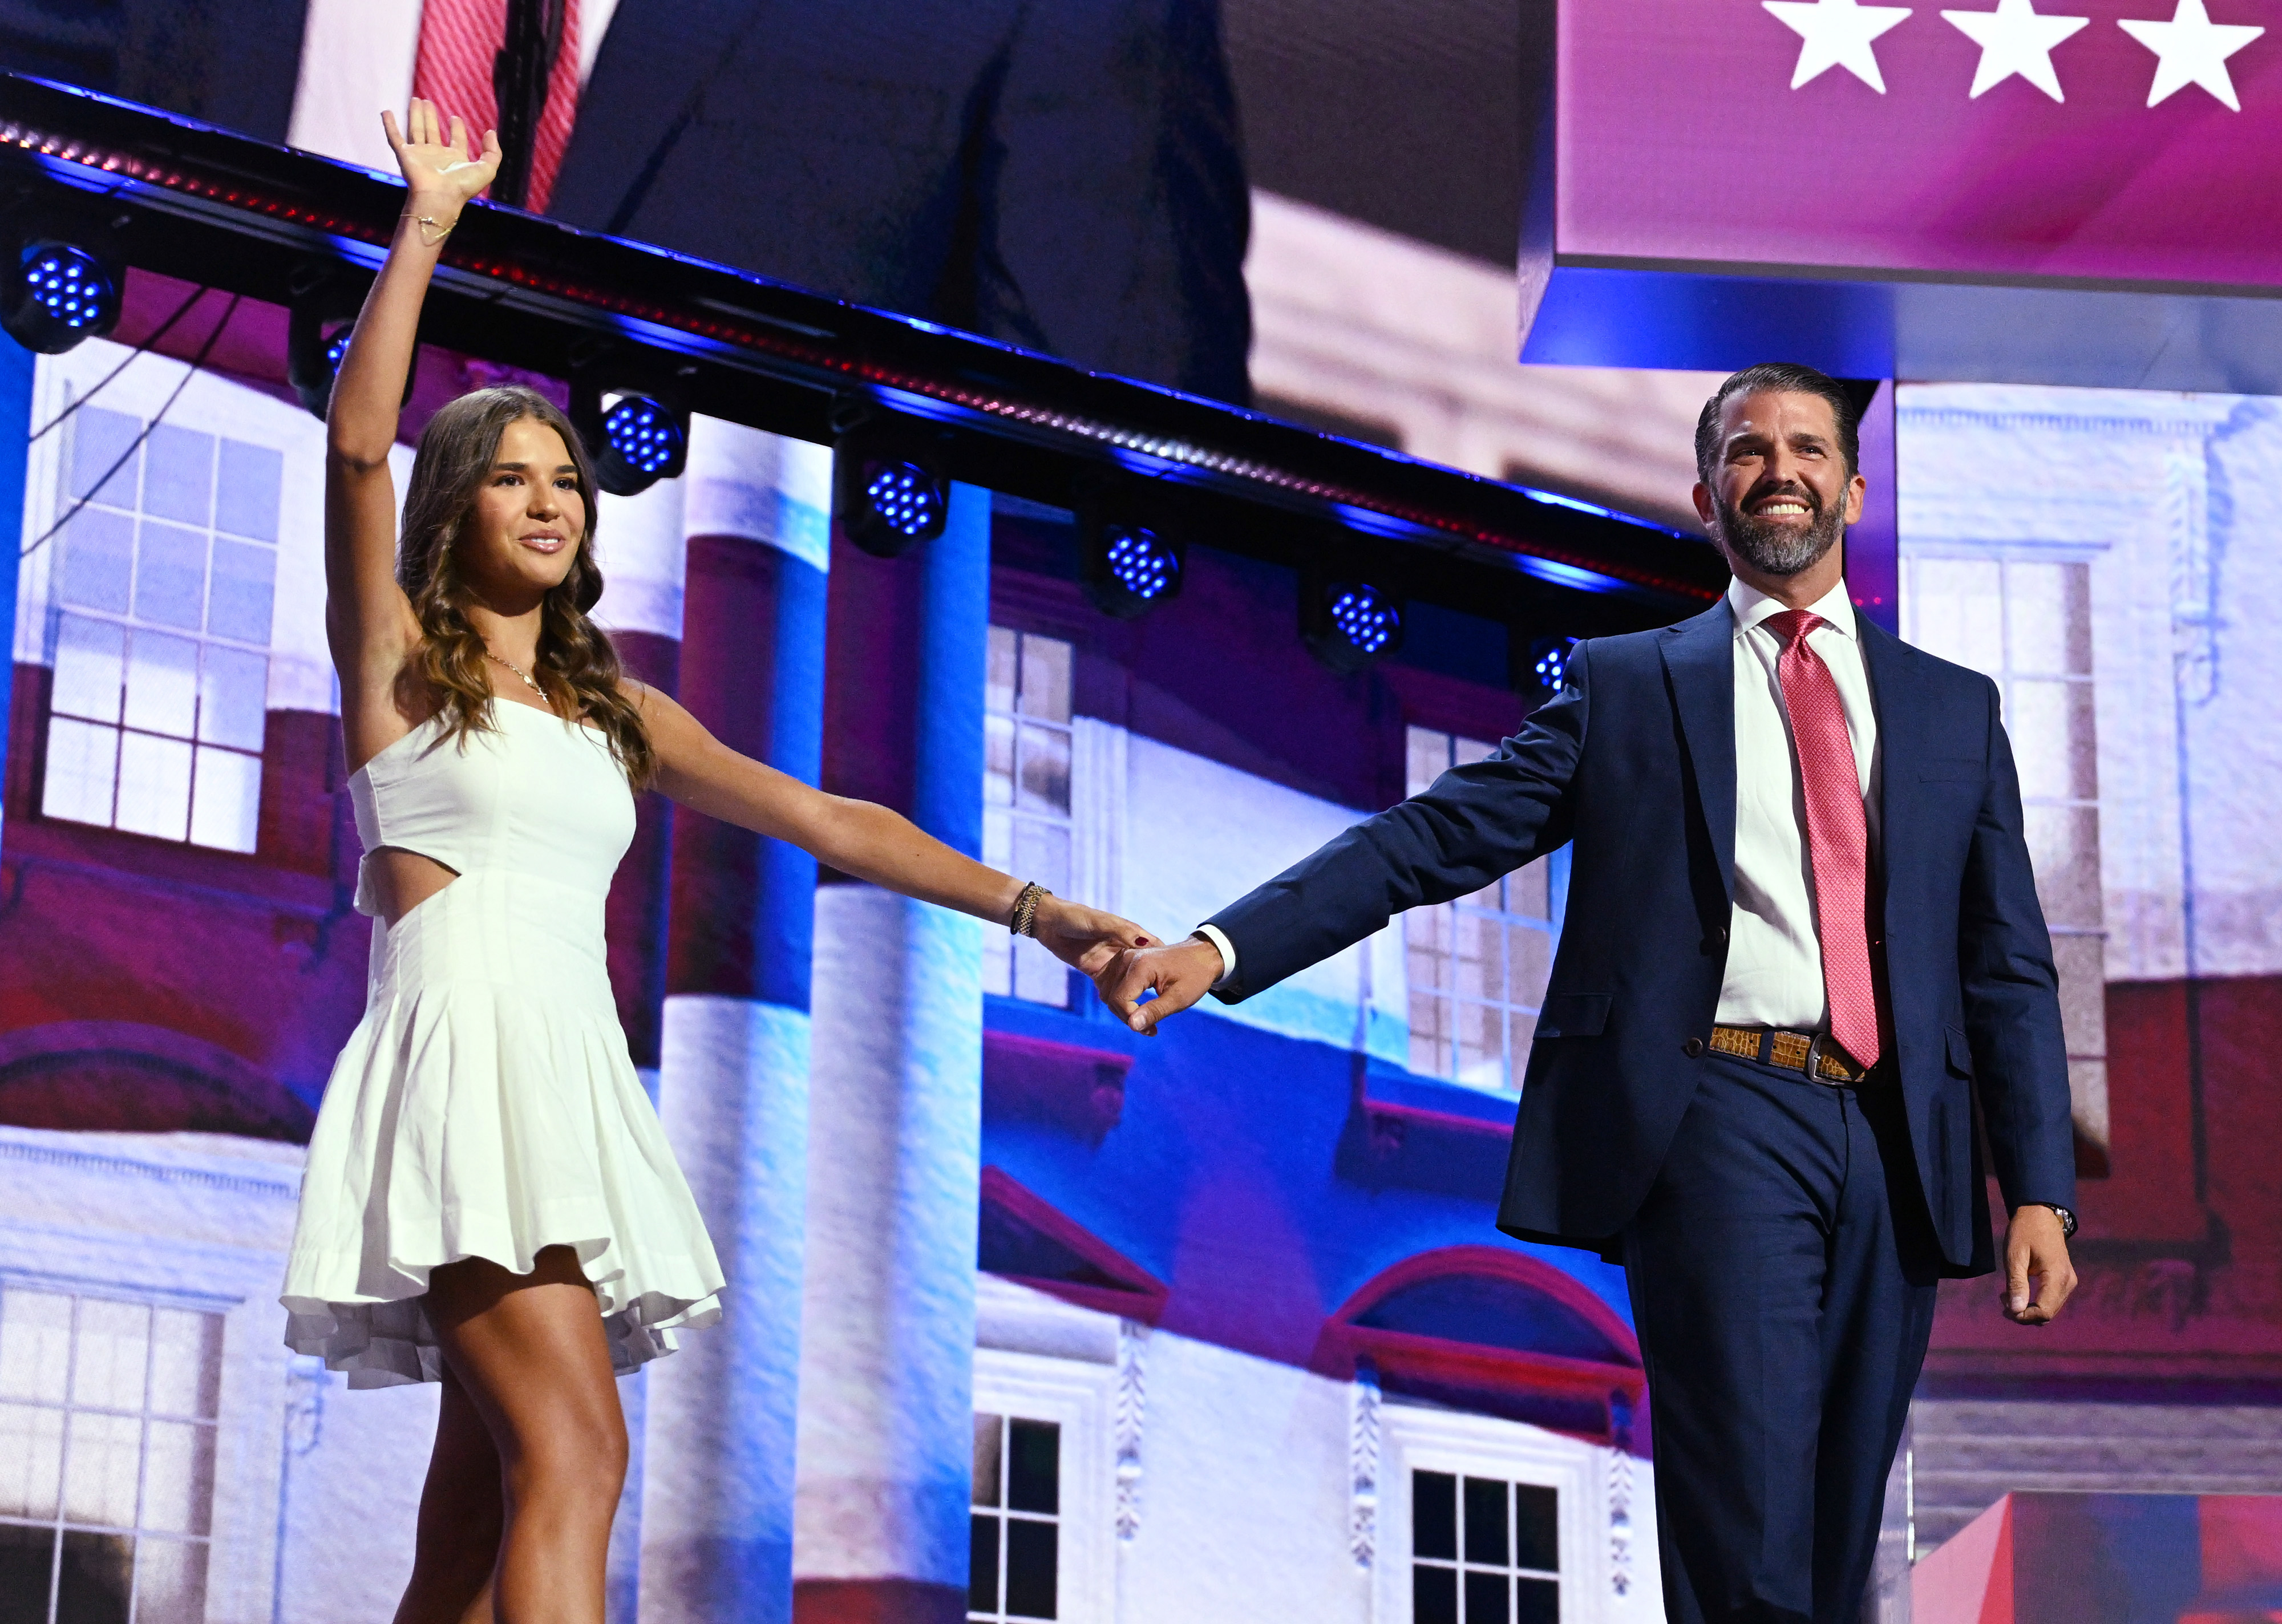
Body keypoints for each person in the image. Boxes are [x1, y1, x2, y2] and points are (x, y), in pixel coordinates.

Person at [277, 103, 1156, 1624]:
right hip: (460, 1054)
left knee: (475, 1524)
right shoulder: (403, 672)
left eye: (568, 479)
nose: (553, 499)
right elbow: (359, 446)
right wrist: (426, 222)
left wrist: (1042, 910)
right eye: (511, 476)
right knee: (579, 1458)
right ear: (453, 507)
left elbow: (834, 824)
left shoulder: (616, 709)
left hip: (565, 1076)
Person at [1104, 363, 2081, 1623]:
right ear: (1701, 493)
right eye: (1743, 450)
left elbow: (2003, 960)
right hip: (1721, 1109)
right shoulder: (1634, 685)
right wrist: (1223, 944)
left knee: (1835, 1544)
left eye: (1802, 448)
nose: (1775, 468)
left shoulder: (1953, 710)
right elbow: (1431, 836)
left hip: (1899, 1140)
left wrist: (2039, 1185)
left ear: (1846, 486)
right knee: (1747, 1529)